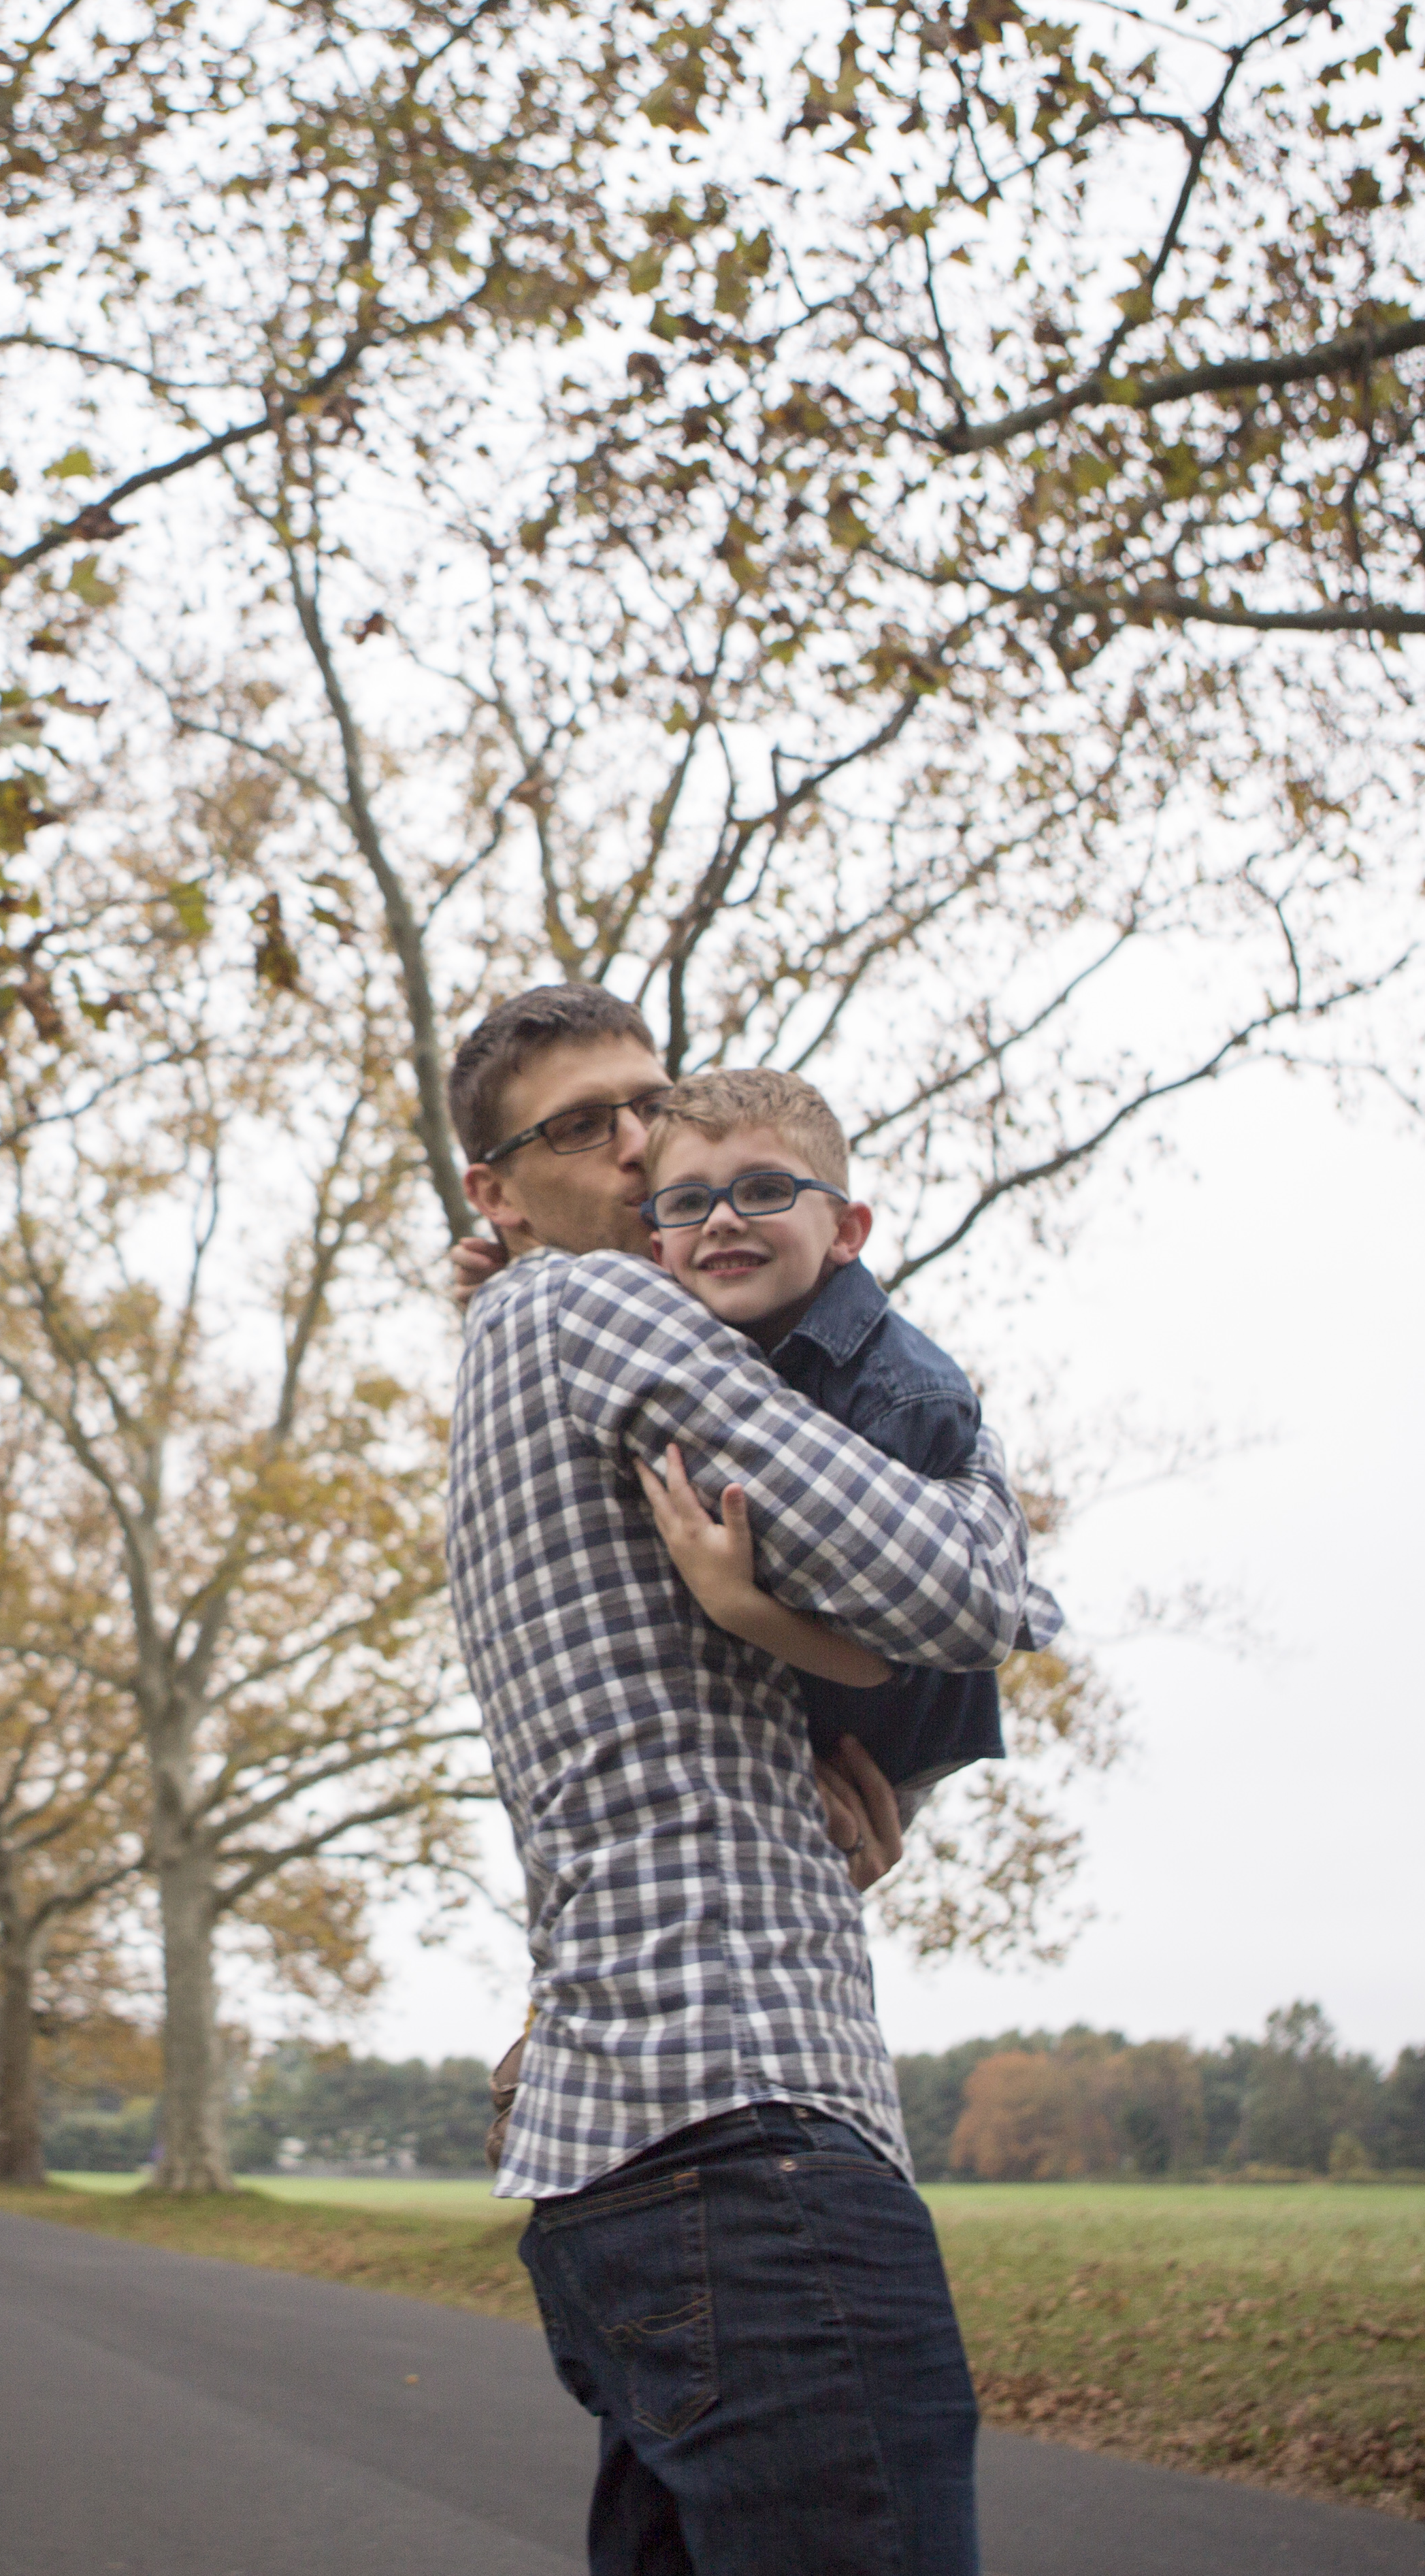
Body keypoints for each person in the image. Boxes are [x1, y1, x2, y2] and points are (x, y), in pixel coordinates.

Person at [444, 980, 1059, 2576]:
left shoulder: (509, 1347)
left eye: (651, 1102)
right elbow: (963, 1592)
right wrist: (981, 1459)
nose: (644, 1143)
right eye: (587, 1125)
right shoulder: (590, 1309)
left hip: (618, 2163)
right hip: (743, 2137)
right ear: (492, 1192)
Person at [625, 1067, 1009, 1814]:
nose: (722, 1220)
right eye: (687, 1202)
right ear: (656, 1251)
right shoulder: (690, 1351)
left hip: (890, 1737)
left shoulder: (900, 1394)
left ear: (846, 1231)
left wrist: (735, 1602)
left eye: (765, 1191)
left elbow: (886, 1663)